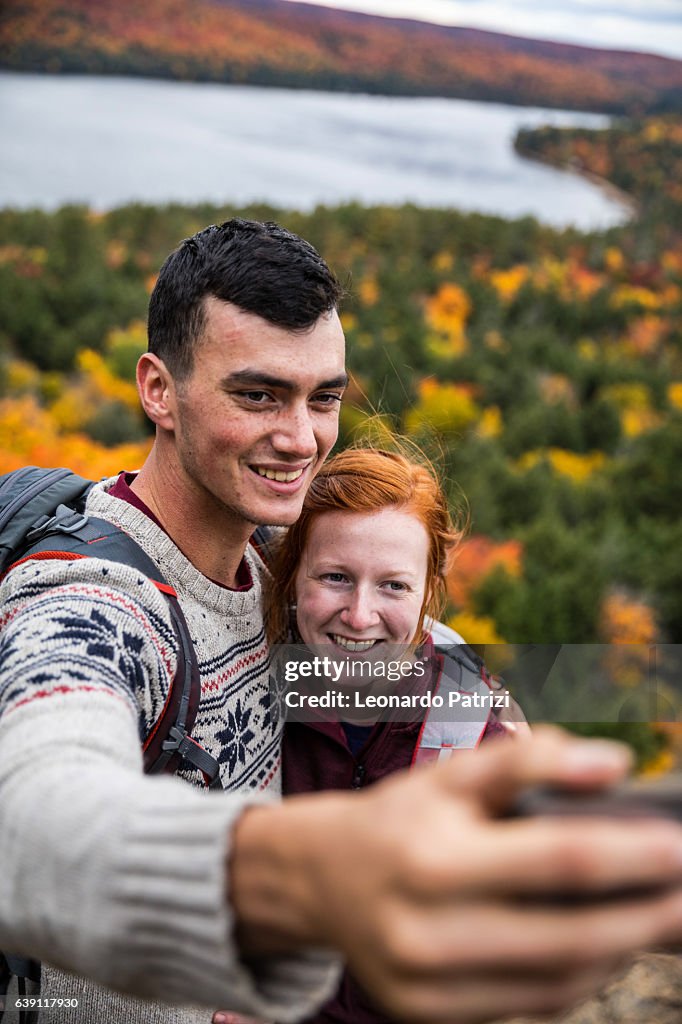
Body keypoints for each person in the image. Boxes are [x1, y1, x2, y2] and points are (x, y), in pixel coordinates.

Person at [3, 220, 682, 1024]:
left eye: (323, 397)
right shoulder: (96, 607)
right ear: (158, 390)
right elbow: (34, 815)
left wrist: (487, 722)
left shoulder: (268, 564)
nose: (300, 439)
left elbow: (385, 653)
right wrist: (304, 874)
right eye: (256, 394)